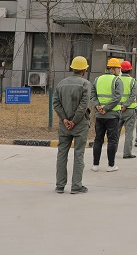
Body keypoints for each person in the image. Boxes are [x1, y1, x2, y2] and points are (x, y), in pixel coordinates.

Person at [53, 56, 91, 194]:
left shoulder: (61, 84)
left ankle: (60, 185)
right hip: (79, 125)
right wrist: (74, 121)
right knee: (79, 154)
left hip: (64, 126)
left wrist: (64, 119)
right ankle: (76, 186)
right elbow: (83, 106)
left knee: (62, 153)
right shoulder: (85, 84)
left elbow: (56, 103)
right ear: (83, 70)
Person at [90, 57, 123, 173]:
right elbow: (117, 98)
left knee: (98, 139)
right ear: (113, 69)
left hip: (99, 115)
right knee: (112, 140)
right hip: (112, 116)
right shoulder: (117, 81)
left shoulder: (97, 79)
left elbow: (92, 95)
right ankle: (111, 165)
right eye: (119, 68)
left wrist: (97, 106)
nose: (120, 70)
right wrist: (106, 108)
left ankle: (95, 165)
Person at [117, 60, 137, 159]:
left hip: (117, 109)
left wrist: (121, 105)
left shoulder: (116, 79)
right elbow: (133, 95)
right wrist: (126, 105)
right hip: (129, 110)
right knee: (129, 132)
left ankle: (112, 151)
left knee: (115, 132)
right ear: (130, 70)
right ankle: (127, 153)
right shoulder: (133, 81)